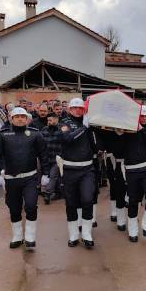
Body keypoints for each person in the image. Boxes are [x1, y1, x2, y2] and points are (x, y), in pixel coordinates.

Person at [0, 107, 50, 250]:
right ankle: (17, 236)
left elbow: (44, 155)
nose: (20, 119)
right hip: (11, 179)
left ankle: (30, 237)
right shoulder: (3, 135)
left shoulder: (35, 135)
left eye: (23, 116)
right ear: (11, 119)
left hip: (30, 178)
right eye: (17, 117)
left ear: (27, 119)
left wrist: (46, 174)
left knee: (30, 205)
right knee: (14, 208)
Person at [59, 98, 98, 248]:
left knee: (88, 199)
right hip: (70, 169)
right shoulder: (64, 123)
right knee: (71, 203)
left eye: (80, 108)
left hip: (87, 169)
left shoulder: (90, 124)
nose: (77, 110)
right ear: (69, 109)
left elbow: (95, 145)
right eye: (74, 108)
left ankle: (87, 233)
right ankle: (73, 234)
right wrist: (83, 128)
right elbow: (68, 139)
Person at [123, 106, 146, 242]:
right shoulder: (129, 130)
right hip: (131, 169)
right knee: (133, 200)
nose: (143, 118)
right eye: (141, 116)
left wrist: (142, 129)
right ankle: (132, 228)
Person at [40, 112, 63, 204]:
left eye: (50, 120)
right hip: (46, 158)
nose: (48, 122)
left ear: (56, 119)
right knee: (49, 176)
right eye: (48, 120)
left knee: (53, 175)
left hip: (57, 158)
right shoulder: (44, 130)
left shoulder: (62, 129)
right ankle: (58, 192)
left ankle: (47, 194)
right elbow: (40, 142)